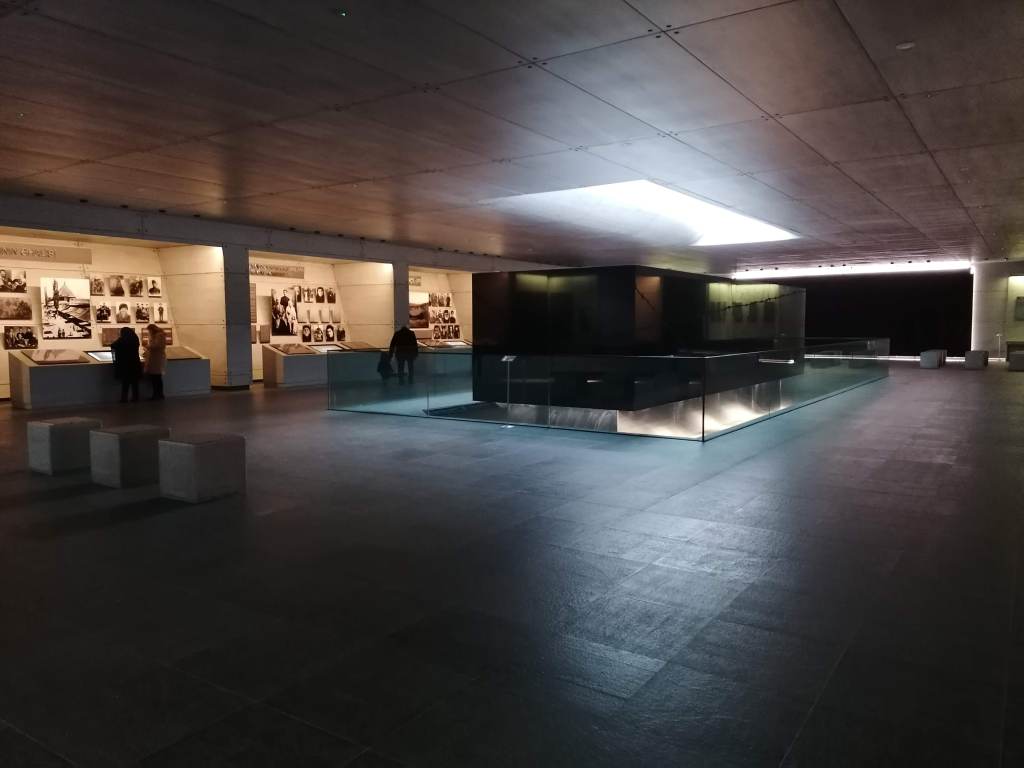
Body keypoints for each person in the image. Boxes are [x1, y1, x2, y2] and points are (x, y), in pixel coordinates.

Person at [110, 327, 142, 403]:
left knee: (125, 382)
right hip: (135, 363)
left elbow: (113, 345)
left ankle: (124, 398)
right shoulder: (135, 339)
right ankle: (135, 397)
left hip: (126, 364)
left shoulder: (122, 339)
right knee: (135, 382)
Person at [143, 323, 167, 400]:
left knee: (156, 378)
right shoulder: (157, 335)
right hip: (155, 359)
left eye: (149, 330)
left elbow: (157, 346)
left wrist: (147, 346)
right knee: (156, 378)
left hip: (156, 359)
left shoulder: (159, 335)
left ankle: (157, 395)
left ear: (152, 329)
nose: (149, 332)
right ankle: (158, 394)